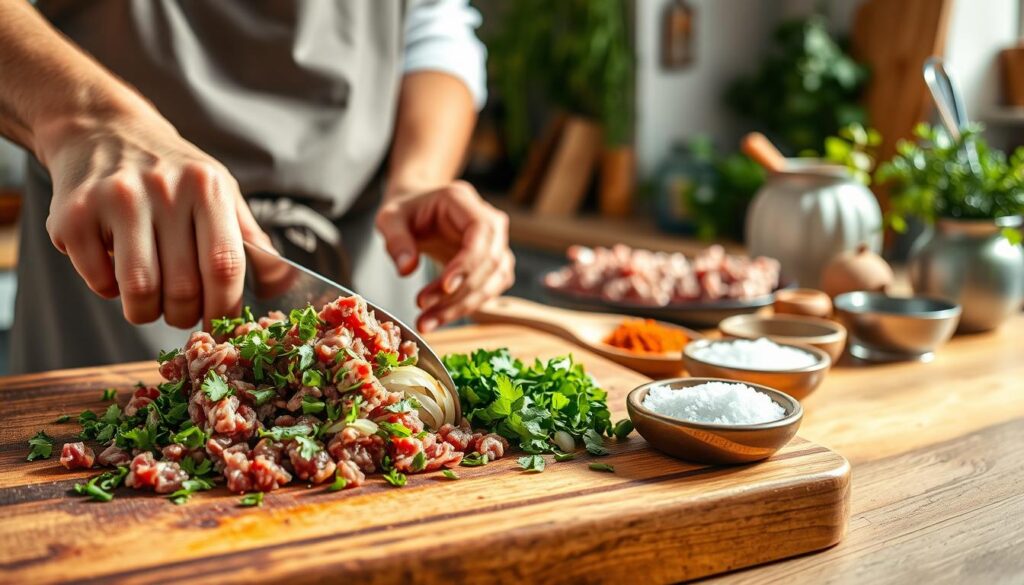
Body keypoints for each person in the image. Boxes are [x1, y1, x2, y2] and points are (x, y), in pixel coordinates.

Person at [0, 0, 514, 373]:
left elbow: (431, 23)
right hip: (124, 259)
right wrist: (86, 118)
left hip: (360, 254)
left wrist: (419, 178)